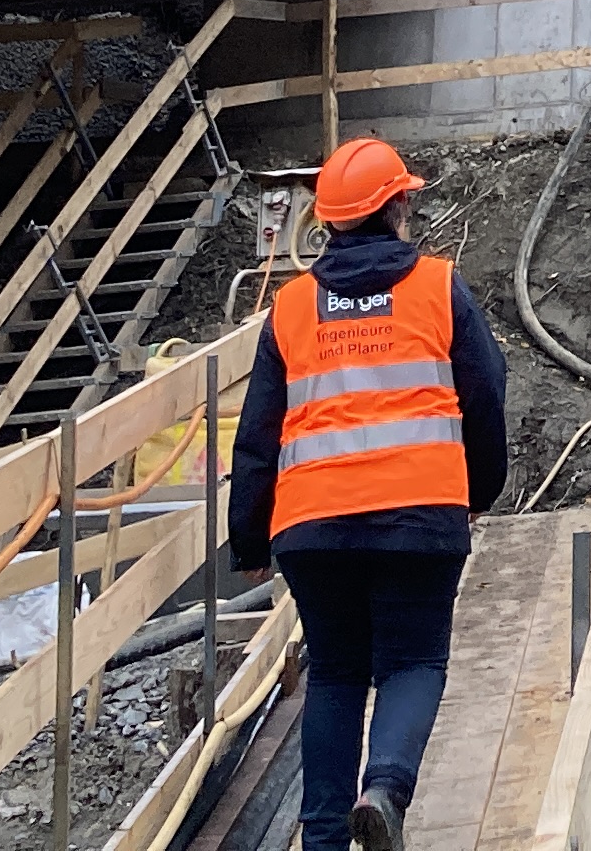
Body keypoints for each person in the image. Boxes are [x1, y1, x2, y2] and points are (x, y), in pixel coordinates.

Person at [228, 135, 508, 851]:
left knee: (336, 671)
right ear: (398, 207)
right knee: (413, 662)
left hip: (313, 528)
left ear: (327, 222)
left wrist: (250, 538)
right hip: (421, 516)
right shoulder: (439, 288)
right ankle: (384, 789)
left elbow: (258, 434)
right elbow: (485, 392)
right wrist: (479, 489)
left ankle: (322, 838)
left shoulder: (290, 308)